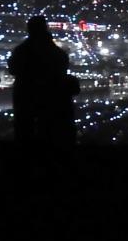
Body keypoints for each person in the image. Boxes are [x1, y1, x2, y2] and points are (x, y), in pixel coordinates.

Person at [7, 17, 77, 146]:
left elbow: (13, 69)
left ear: (29, 29)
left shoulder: (22, 50)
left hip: (26, 96)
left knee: (25, 131)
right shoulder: (57, 52)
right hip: (53, 98)